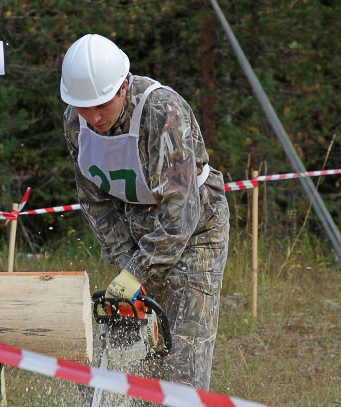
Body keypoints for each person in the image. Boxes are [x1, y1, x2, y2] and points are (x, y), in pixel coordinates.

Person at [60, 33, 230, 394]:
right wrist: (127, 267)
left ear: (123, 87)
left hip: (195, 232)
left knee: (183, 357)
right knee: (143, 356)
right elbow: (96, 203)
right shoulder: (76, 124)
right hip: (137, 238)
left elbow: (180, 211)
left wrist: (137, 273)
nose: (92, 116)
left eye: (101, 105)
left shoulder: (162, 113)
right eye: (83, 107)